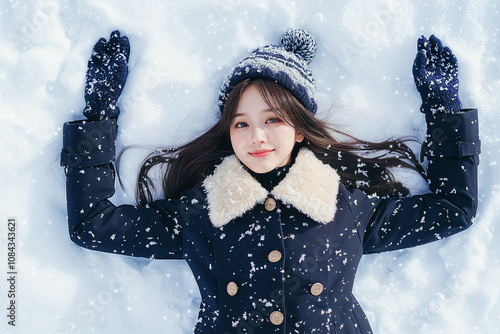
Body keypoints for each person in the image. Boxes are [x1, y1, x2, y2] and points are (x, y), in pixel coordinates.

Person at [60, 29, 480, 334]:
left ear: (299, 129)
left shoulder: (345, 207)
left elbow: (452, 210)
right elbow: (93, 225)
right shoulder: (201, 214)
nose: (256, 136)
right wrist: (99, 116)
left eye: (272, 119)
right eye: (241, 124)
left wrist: (444, 113)